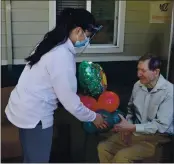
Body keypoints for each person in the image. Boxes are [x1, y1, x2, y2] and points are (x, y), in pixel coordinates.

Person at [5, 8, 107, 163]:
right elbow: (70, 103)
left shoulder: (50, 43)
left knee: (30, 157)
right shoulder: (62, 56)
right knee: (38, 160)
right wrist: (94, 117)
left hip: (22, 109)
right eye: (88, 35)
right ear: (78, 30)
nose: (87, 40)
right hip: (35, 116)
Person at [97, 53, 174, 163]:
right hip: (135, 132)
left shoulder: (169, 92)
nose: (138, 74)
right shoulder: (138, 85)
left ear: (156, 72)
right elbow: (131, 110)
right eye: (138, 69)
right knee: (103, 147)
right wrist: (127, 127)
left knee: (122, 156)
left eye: (143, 71)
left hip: (157, 138)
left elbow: (161, 126)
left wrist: (132, 128)